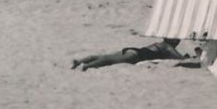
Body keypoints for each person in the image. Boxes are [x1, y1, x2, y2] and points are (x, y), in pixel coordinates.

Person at [71, 38, 201, 71]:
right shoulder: (168, 47)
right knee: (108, 60)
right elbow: (179, 58)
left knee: (105, 56)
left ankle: (80, 61)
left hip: (133, 50)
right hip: (137, 56)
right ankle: (87, 66)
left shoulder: (161, 44)